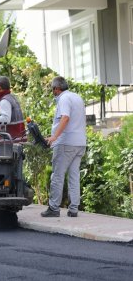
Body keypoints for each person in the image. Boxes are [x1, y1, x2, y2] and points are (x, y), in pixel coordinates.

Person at [41, 76, 87, 218]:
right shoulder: (77, 97)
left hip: (66, 143)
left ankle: (54, 208)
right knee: (74, 175)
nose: (52, 93)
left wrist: (54, 137)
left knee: (58, 175)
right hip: (80, 143)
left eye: (52, 90)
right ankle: (73, 209)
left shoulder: (63, 99)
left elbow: (65, 117)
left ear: (57, 89)